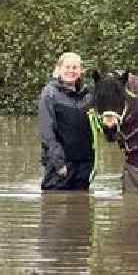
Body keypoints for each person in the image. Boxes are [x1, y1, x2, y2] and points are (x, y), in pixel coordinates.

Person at [38, 52, 95, 191]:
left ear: (81, 71)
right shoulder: (49, 94)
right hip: (60, 166)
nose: (71, 71)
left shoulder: (88, 96)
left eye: (75, 67)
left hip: (84, 166)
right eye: (67, 67)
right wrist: (59, 163)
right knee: (56, 206)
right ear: (58, 69)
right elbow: (47, 132)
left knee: (83, 207)